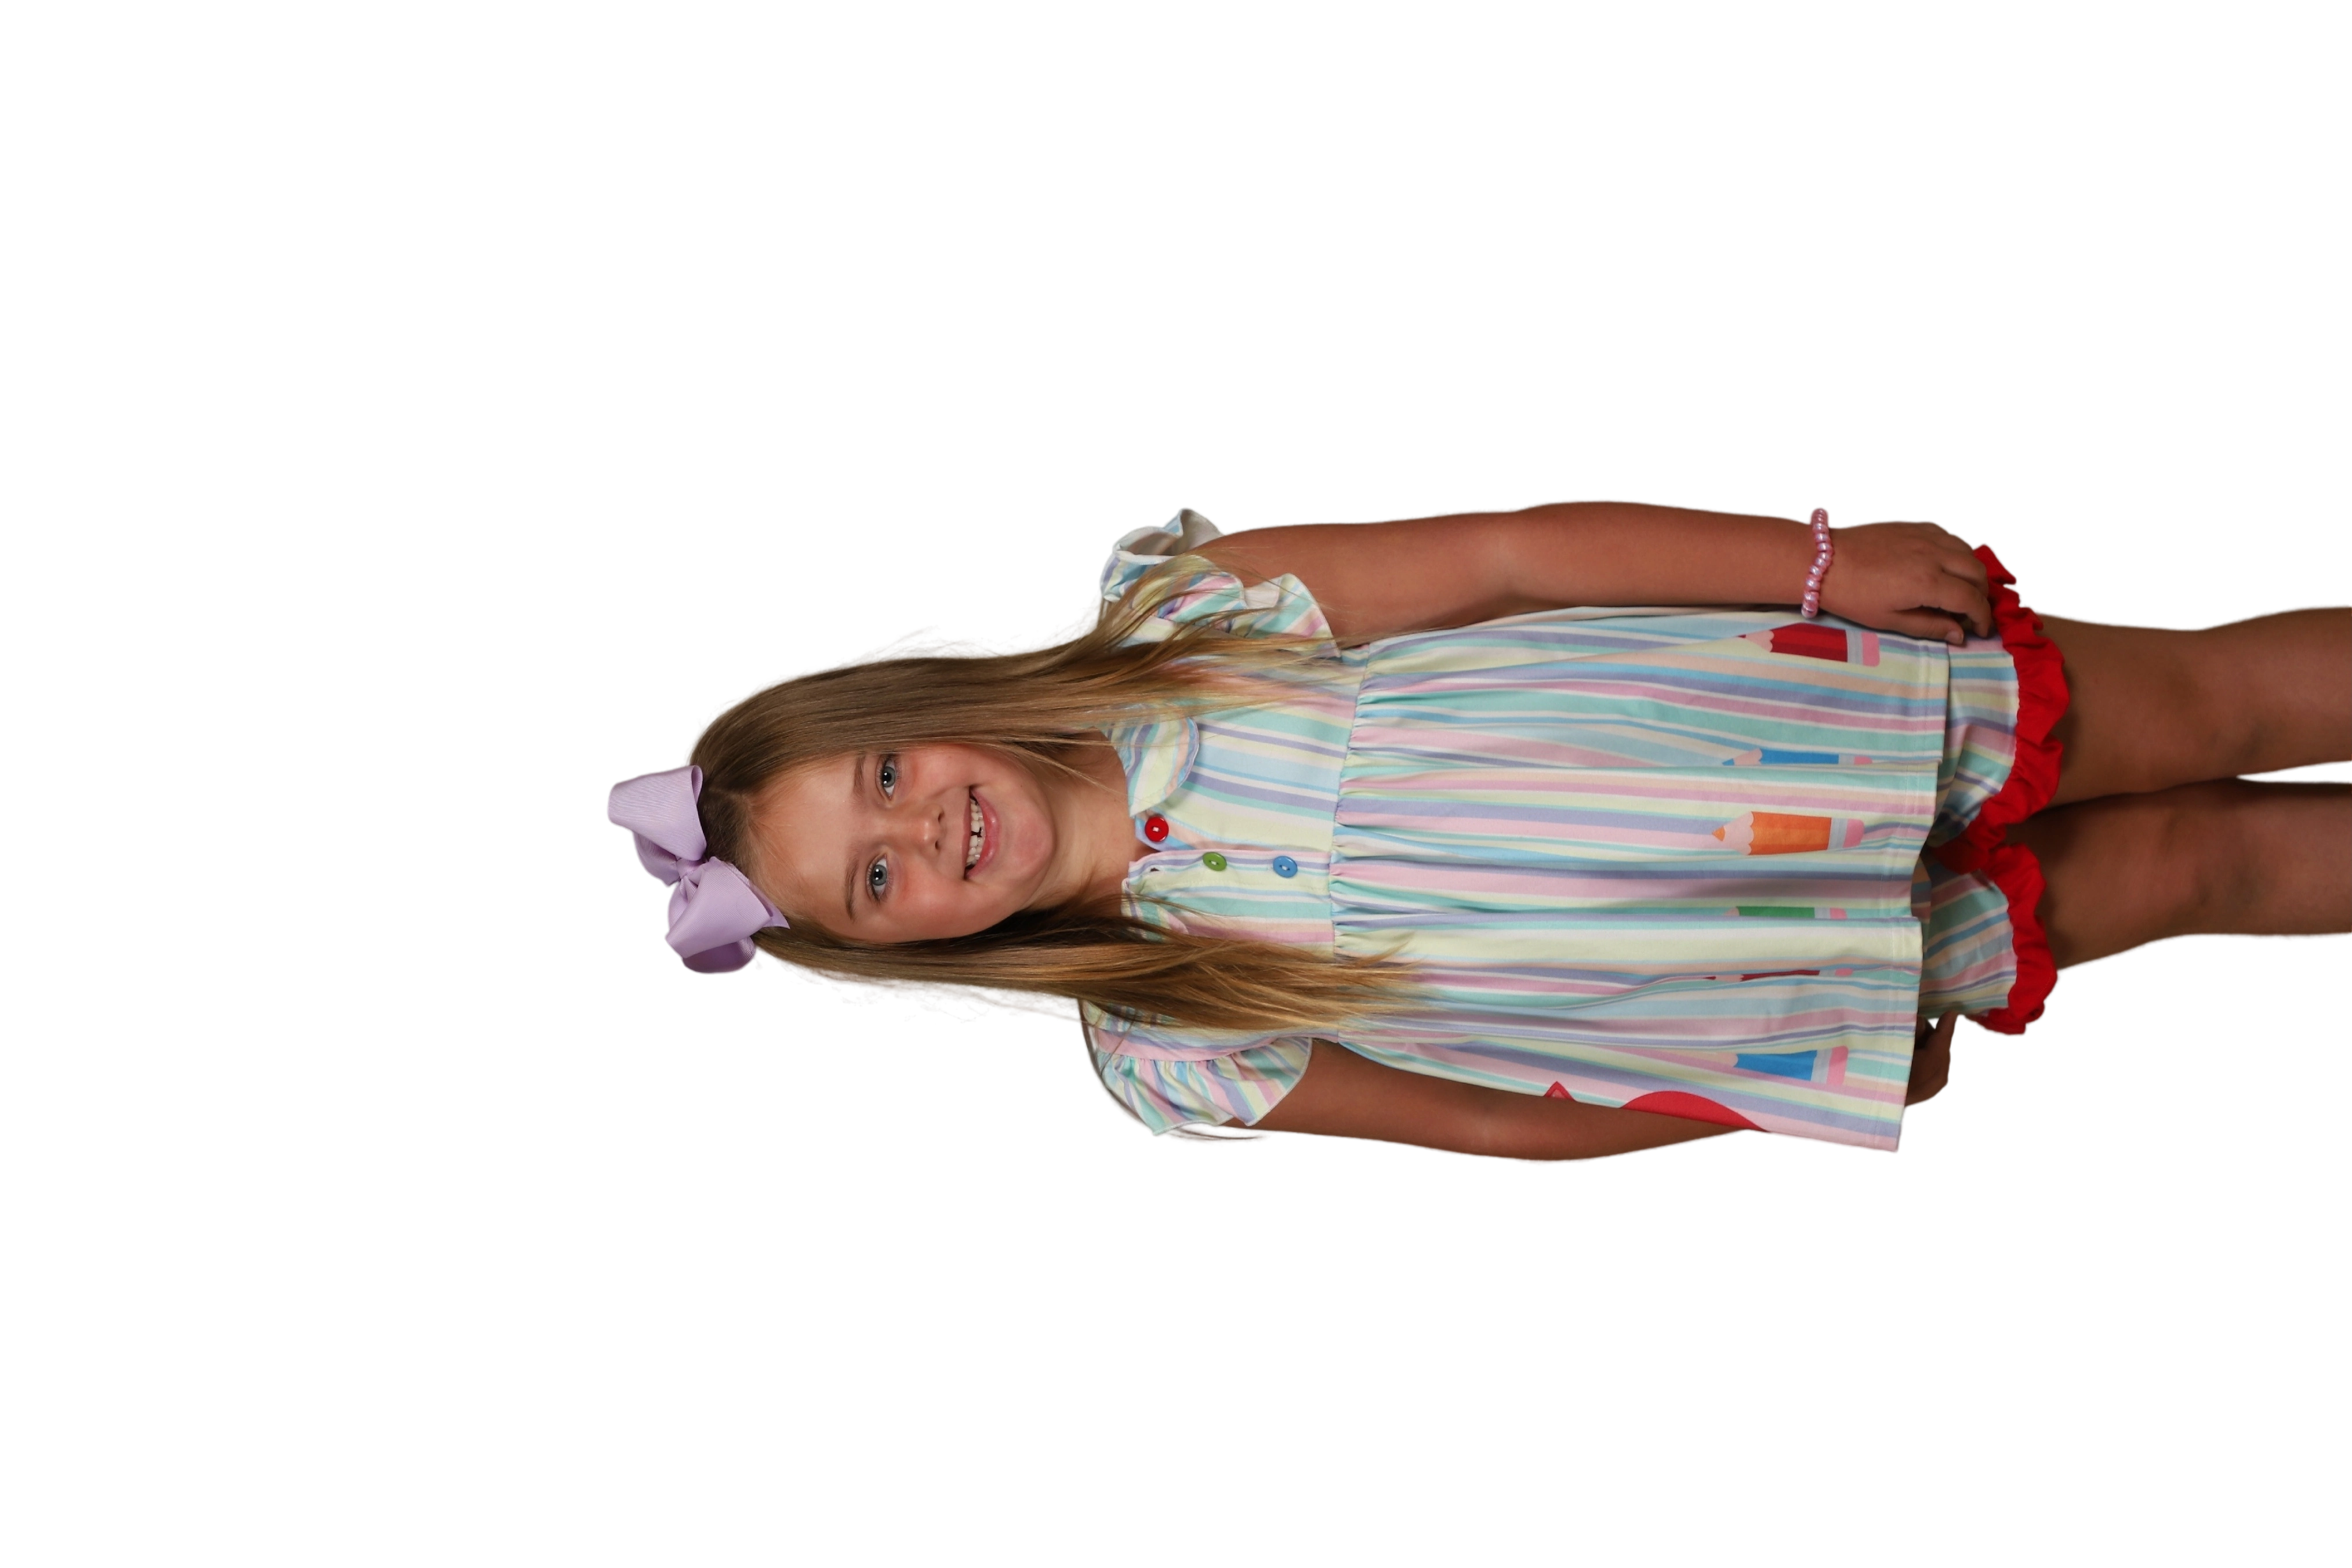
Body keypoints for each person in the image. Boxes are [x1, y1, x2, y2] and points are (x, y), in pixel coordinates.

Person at [603, 499, 2352, 1163]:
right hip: (1791, 970)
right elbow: (1488, 1119)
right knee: (2198, 868)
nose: (926, 828)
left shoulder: (1183, 621)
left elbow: (1513, 559)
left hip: (1801, 721)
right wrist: (1760, 1099)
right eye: (877, 880)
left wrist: (1814, 566)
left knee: (2213, 710)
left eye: (884, 776)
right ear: (909, 955)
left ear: (919, 699)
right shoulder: (1176, 1048)